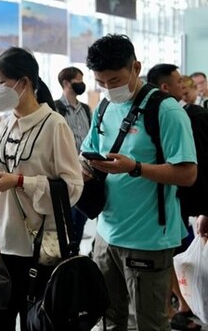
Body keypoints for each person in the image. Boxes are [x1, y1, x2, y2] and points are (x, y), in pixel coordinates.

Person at [81, 34, 197, 331]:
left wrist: (136, 168)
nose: (108, 88)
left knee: (149, 323)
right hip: (105, 235)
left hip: (148, 240)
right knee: (108, 319)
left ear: (136, 67)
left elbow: (187, 173)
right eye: (101, 82)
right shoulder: (103, 108)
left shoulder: (166, 110)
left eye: (115, 80)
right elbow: (88, 149)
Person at [0, 47, 84, 331]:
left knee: (35, 322)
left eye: (1, 83)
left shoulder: (54, 125)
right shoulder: (5, 123)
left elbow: (73, 186)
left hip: (36, 248)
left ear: (23, 83)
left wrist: (23, 182)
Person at [147, 63, 203, 331]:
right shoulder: (152, 118)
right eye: (180, 81)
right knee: (172, 253)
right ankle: (179, 305)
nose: (185, 86)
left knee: (179, 252)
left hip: (186, 199)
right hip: (169, 200)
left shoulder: (194, 115)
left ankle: (182, 303)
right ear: (165, 87)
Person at [54, 66, 92, 251]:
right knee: (68, 219)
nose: (82, 84)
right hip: (66, 173)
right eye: (78, 80)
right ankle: (69, 255)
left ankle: (76, 254)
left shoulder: (85, 109)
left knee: (82, 218)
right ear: (66, 83)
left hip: (86, 171)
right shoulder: (56, 109)